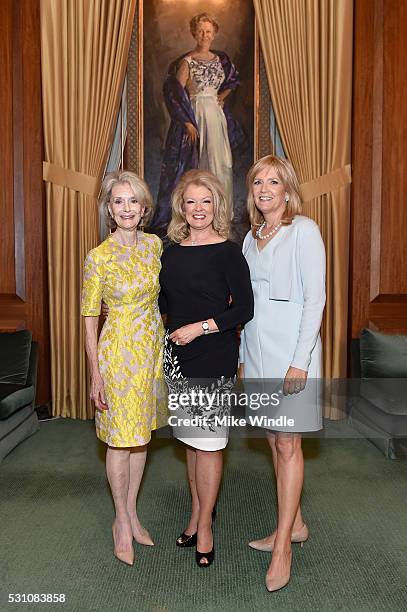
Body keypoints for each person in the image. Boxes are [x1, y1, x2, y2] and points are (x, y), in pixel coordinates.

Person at [239, 155, 326, 591]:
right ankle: (294, 524)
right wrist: (240, 354)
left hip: (292, 354)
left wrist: (300, 360)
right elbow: (244, 304)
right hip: (256, 352)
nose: (265, 188)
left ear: (288, 189)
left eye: (273, 181)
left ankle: (283, 548)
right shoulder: (251, 238)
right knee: (274, 440)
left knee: (288, 442)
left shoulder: (304, 230)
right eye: (258, 181)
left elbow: (315, 300)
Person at [159, 169, 253, 567]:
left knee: (209, 443)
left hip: (213, 354)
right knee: (190, 442)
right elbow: (162, 300)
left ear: (217, 206)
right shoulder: (171, 249)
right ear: (182, 206)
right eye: (191, 201)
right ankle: (197, 514)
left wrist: (200, 328)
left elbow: (244, 308)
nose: (198, 209)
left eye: (207, 201)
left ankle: (207, 527)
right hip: (177, 357)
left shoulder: (229, 251)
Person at [81, 171, 167, 566]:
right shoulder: (97, 257)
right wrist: (95, 374)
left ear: (144, 207)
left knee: (141, 435)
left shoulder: (154, 246)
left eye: (133, 201)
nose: (127, 208)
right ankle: (119, 520)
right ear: (109, 210)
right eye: (118, 201)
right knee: (120, 438)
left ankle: (132, 512)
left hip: (151, 352)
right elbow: (88, 319)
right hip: (117, 354)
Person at [150, 12, 245, 235]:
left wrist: (221, 97)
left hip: (216, 117)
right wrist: (187, 122)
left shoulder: (221, 60)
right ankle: (195, 219)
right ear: (194, 33)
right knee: (199, 164)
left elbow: (233, 80)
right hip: (196, 115)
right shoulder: (187, 61)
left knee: (220, 163)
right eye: (201, 31)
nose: (205, 35)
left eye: (208, 31)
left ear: (214, 34)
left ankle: (220, 216)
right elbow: (173, 94)